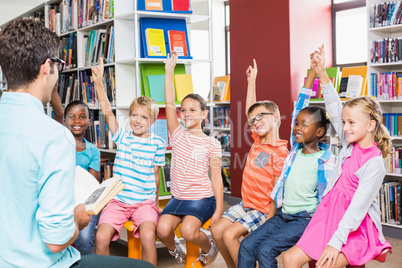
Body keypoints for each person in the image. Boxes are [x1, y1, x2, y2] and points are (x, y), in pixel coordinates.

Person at [0, 18, 154, 268]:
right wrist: (79, 220)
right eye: (58, 65)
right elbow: (56, 240)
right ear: (46, 67)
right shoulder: (53, 136)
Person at [283, 45, 392, 268]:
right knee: (290, 259)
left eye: (351, 122)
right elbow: (334, 106)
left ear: (371, 125)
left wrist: (335, 243)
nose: (345, 127)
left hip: (355, 224)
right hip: (328, 213)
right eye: (344, 122)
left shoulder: (374, 163)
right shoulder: (348, 144)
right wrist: (321, 72)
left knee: (325, 264)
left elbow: (358, 208)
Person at [238, 51, 337, 268]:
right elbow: (301, 103)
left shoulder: (328, 160)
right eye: (296, 124)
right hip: (283, 215)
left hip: (304, 219)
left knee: (265, 251)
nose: (297, 127)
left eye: (304, 125)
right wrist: (312, 71)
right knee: (246, 245)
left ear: (320, 132)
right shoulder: (295, 150)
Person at [210, 59, 289, 268]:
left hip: (263, 210)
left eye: (261, 117)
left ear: (276, 117)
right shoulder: (258, 140)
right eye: (253, 121)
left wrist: (271, 221)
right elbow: (250, 111)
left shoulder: (280, 151)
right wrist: (251, 81)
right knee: (216, 230)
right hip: (247, 204)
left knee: (229, 235)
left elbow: (278, 192)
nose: (256, 122)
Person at [92, 59, 165, 267]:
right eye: (134, 115)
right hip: (118, 202)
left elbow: (156, 174)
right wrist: (98, 82)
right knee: (101, 238)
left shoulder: (157, 143)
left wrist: (156, 202)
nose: (138, 120)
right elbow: (107, 112)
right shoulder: (123, 137)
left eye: (143, 117)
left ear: (152, 121)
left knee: (149, 237)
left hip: (144, 203)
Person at [156, 51, 223, 267]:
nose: (186, 114)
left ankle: (210, 248)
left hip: (202, 198)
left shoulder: (212, 143)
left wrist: (219, 210)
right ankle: (178, 250)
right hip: (178, 198)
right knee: (162, 230)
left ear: (204, 114)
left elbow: (216, 179)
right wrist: (169, 71)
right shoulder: (177, 134)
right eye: (183, 110)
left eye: (192, 110)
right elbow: (167, 102)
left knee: (188, 230)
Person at [65, 100, 101, 253]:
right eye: (72, 117)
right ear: (64, 120)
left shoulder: (93, 151)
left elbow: (93, 186)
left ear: (89, 122)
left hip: (84, 204)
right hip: (62, 201)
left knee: (85, 239)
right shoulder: (57, 145)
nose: (77, 121)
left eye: (82, 117)